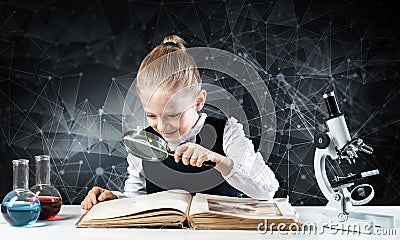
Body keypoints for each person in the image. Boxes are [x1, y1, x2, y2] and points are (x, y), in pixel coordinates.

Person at [81, 35, 279, 210]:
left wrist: (218, 160)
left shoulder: (227, 132)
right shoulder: (144, 142)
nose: (163, 126)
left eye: (174, 114)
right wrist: (113, 198)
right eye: (151, 115)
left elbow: (267, 190)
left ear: (199, 101)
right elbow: (136, 198)